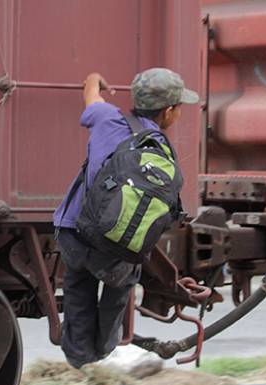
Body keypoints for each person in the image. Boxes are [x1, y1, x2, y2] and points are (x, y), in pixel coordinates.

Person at [53, 67, 199, 368]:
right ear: (169, 111)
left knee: (77, 285)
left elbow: (90, 95)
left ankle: (79, 360)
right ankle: (104, 352)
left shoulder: (106, 117)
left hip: (73, 231)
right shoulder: (159, 147)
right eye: (179, 108)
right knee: (122, 281)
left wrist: (94, 78)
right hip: (111, 248)